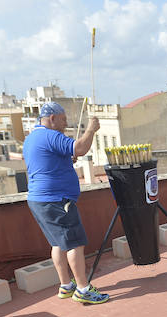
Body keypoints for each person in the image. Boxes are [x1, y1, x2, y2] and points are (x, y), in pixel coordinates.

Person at [22, 102, 109, 305]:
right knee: (74, 243)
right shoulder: (51, 135)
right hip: (56, 200)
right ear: (52, 118)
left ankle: (66, 285)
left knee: (57, 243)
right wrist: (91, 129)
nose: (66, 124)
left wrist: (64, 162)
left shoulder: (31, 138)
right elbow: (80, 148)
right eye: (63, 120)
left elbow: (46, 163)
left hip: (39, 200)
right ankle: (83, 289)